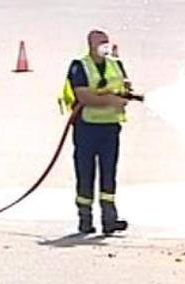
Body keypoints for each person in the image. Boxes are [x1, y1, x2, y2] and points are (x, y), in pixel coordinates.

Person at [61, 29, 132, 235]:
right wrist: (110, 100)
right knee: (85, 173)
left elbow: (125, 88)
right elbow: (83, 96)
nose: (105, 45)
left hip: (110, 128)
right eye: (101, 42)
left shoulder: (116, 65)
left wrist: (124, 97)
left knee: (109, 174)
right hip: (87, 128)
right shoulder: (80, 66)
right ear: (90, 45)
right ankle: (85, 219)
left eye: (107, 41)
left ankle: (109, 218)